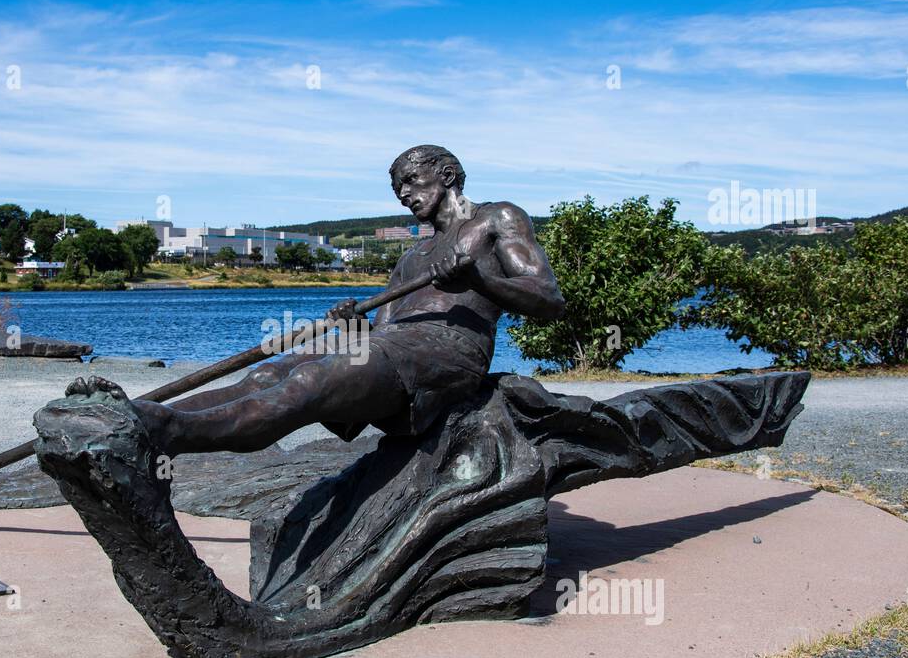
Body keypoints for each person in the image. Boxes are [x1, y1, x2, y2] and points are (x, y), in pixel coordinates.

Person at [67, 145, 565, 455]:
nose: (403, 196)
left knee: (309, 379)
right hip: (393, 348)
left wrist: (478, 276)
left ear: (448, 175)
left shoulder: (497, 218)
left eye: (411, 182)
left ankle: (168, 431)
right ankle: (138, 415)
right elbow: (384, 328)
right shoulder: (415, 254)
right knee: (268, 372)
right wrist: (352, 327)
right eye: (397, 190)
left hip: (448, 355)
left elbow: (547, 299)